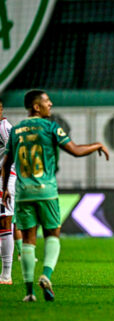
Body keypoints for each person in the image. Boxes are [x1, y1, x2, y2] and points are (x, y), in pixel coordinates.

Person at [2, 90, 109, 302]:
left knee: (28, 240)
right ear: (36, 106)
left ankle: (29, 292)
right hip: (46, 191)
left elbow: (6, 163)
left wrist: (5, 188)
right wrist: (97, 144)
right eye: (46, 101)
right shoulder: (51, 127)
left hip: (23, 193)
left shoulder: (16, 131)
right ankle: (46, 275)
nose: (50, 104)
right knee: (52, 234)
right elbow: (76, 150)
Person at [0, 98, 17, 284]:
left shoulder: (5, 128)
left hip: (4, 181)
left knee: (5, 225)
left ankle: (6, 275)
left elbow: (15, 155)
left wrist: (6, 186)